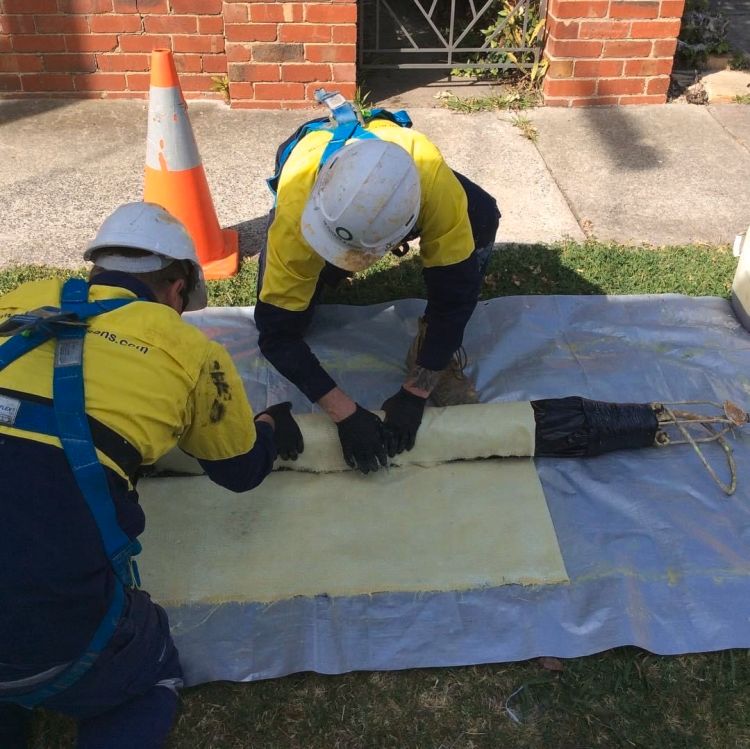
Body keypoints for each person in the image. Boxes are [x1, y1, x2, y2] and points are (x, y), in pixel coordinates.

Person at [0, 202, 303, 749]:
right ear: (178, 288)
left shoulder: (19, 299)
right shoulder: (187, 348)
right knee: (145, 668)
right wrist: (270, 425)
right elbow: (240, 472)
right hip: (48, 626)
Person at [255, 91, 500, 475]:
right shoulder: (296, 214)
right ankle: (325, 274)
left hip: (406, 173)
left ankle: (431, 345)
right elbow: (275, 335)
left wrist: (416, 392)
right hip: (313, 166)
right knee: (291, 319)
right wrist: (345, 413)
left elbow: (455, 296)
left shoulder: (434, 185)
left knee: (482, 215)